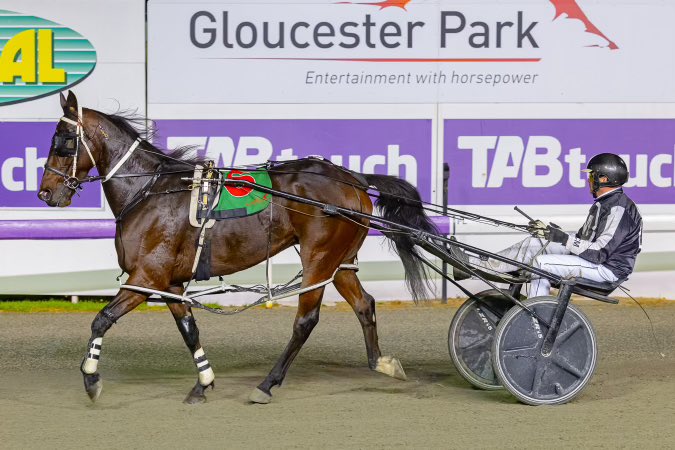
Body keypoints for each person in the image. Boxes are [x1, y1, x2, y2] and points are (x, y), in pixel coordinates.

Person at [450, 153, 643, 298]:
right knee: (534, 243)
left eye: (591, 176)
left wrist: (561, 238)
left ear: (603, 179)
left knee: (542, 263)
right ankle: (473, 266)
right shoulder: (605, 204)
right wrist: (551, 233)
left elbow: (599, 253)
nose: (588, 180)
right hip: (595, 261)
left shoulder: (618, 209)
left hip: (606, 270)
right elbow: (582, 240)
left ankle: (534, 316)